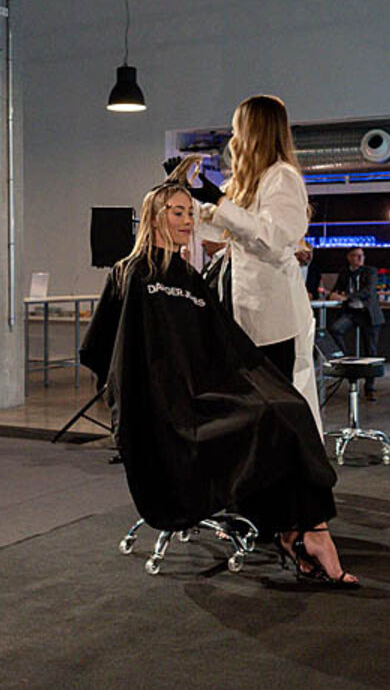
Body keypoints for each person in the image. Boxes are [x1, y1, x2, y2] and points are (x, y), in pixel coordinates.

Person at [80, 181, 356, 586]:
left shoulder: (191, 279)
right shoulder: (131, 273)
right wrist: (137, 394)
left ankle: (306, 531)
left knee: (288, 409)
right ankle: (303, 536)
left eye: (190, 213)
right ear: (154, 216)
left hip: (203, 394)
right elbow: (100, 349)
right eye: (177, 212)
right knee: (271, 416)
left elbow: (223, 342)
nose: (187, 220)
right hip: (165, 407)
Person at [174, 94, 322, 431]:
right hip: (243, 308)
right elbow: (221, 227)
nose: (233, 137)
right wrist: (188, 200)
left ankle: (287, 460)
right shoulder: (246, 183)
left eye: (237, 128)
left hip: (274, 313)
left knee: (278, 399)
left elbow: (275, 235)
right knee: (250, 400)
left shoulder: (282, 178)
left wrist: (219, 202)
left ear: (254, 130)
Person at [324, 247, 385, 399]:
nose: (359, 258)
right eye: (356, 255)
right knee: (335, 329)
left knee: (370, 351)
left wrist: (347, 297)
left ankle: (369, 387)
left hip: (368, 314)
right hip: (352, 313)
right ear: (349, 257)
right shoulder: (344, 272)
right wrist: (332, 294)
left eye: (361, 256)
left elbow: (368, 291)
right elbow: (337, 289)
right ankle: (347, 361)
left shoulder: (370, 271)